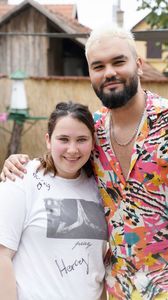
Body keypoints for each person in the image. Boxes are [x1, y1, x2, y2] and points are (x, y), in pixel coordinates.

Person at [1, 25, 168, 300]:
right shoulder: (92, 131)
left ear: (139, 64)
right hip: (119, 289)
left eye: (119, 61)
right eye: (98, 66)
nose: (109, 72)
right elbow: (63, 163)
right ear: (91, 74)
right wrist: (17, 162)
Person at [0, 101, 108, 300]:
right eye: (64, 139)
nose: (72, 149)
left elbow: (100, 266)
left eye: (82, 139)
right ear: (49, 140)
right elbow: (2, 255)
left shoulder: (103, 188)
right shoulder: (22, 178)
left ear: (93, 141)